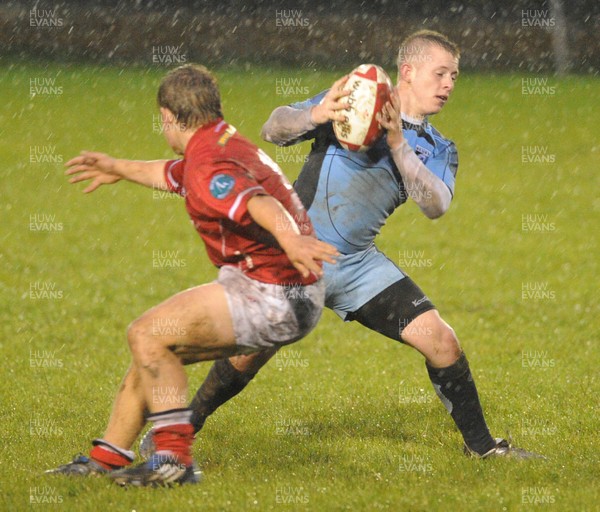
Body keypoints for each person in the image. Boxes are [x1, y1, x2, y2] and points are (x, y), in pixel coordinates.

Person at [147, 30, 542, 460]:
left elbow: (435, 205)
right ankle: (182, 426)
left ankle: (483, 449)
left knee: (441, 340)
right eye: (441, 73)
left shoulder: (437, 146)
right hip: (297, 254)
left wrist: (395, 142)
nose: (449, 84)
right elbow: (272, 128)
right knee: (247, 356)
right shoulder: (354, 98)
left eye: (455, 76)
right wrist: (316, 113)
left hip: (357, 264)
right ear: (407, 72)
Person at [46, 64, 339, 487]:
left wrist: (292, 241)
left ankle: (173, 462)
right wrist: (117, 167)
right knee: (155, 351)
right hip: (277, 286)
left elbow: (257, 203)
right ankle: (107, 457)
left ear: (168, 117)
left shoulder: (208, 164)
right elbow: (172, 175)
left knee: (147, 335)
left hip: (277, 293)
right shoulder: (218, 140)